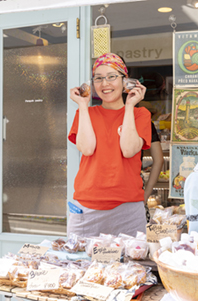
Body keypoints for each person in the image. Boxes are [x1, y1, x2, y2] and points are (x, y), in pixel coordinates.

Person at [68, 53, 151, 237]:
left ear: (125, 81)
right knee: (82, 263)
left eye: (112, 77)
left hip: (128, 207)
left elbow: (129, 150)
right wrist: (82, 104)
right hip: (87, 206)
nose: (104, 84)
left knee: (130, 264)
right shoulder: (85, 113)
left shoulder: (140, 114)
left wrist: (129, 106)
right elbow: (87, 148)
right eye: (98, 78)